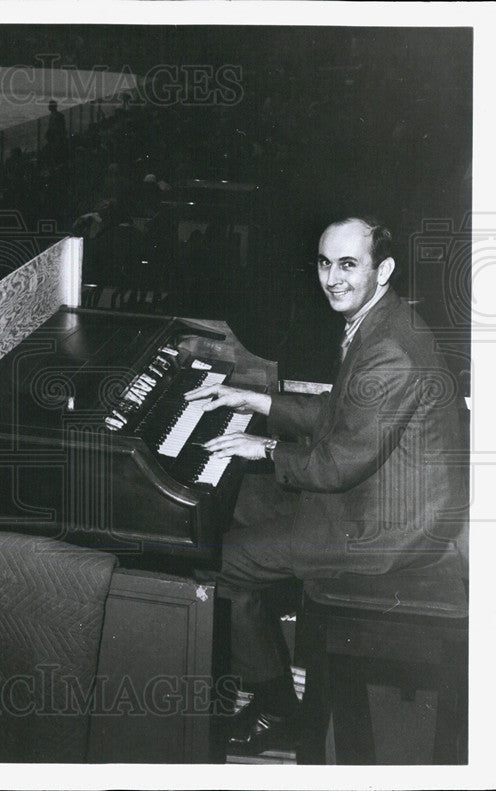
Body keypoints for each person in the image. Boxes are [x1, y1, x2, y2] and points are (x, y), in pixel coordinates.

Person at [184, 216, 468, 756]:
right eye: (323, 262)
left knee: (215, 558)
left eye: (347, 264)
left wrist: (263, 448)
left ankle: (277, 708)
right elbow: (345, 413)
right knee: (229, 504)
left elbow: (337, 464)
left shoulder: (391, 349)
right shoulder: (381, 321)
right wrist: (258, 402)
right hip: (374, 498)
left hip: (382, 528)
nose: (332, 278)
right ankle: (259, 659)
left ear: (382, 269)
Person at [45, 99, 68, 164]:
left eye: (49, 105)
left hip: (56, 139)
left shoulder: (57, 116)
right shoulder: (55, 115)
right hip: (55, 138)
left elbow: (59, 128)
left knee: (55, 155)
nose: (48, 106)